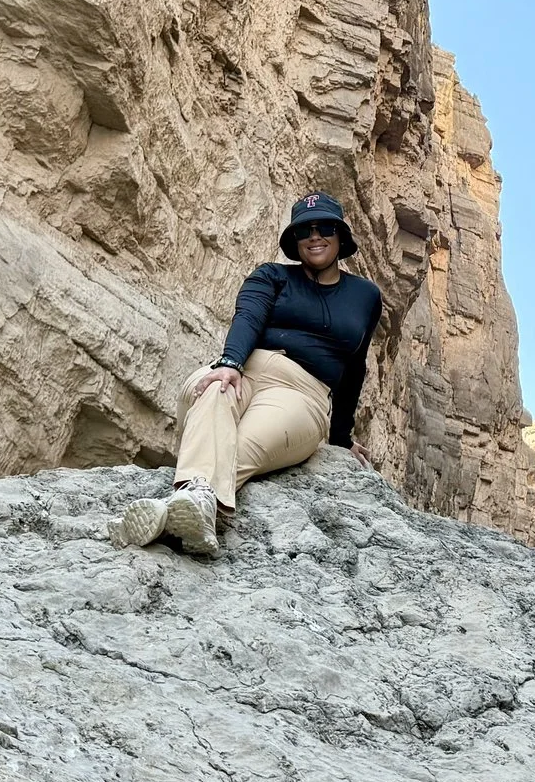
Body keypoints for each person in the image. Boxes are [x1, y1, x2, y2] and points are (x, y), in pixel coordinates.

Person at [114, 191, 384, 557]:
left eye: (325, 228)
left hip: (301, 391)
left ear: (341, 236)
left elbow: (355, 366)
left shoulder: (364, 295)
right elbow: (249, 316)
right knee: (211, 391)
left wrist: (341, 436)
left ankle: (174, 508)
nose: (315, 236)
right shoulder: (271, 275)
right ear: (294, 240)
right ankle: (195, 510)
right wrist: (230, 363)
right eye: (305, 230)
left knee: (243, 446)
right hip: (246, 368)